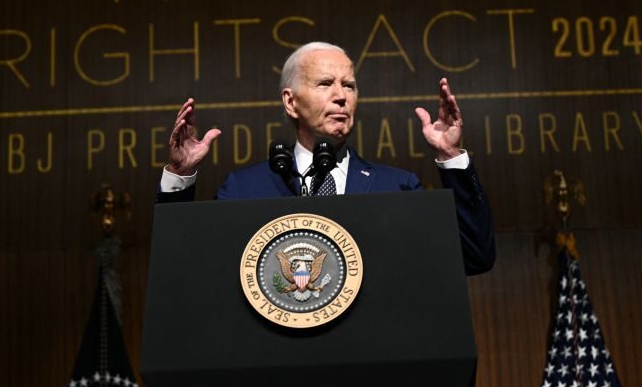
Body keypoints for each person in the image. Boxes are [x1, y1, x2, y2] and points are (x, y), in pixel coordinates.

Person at [156, 41, 495, 275]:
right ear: (291, 102)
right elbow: (184, 268)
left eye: (349, 85)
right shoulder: (245, 188)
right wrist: (180, 177)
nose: (341, 96)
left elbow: (474, 257)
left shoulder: (397, 187)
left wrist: (451, 158)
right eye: (325, 83)